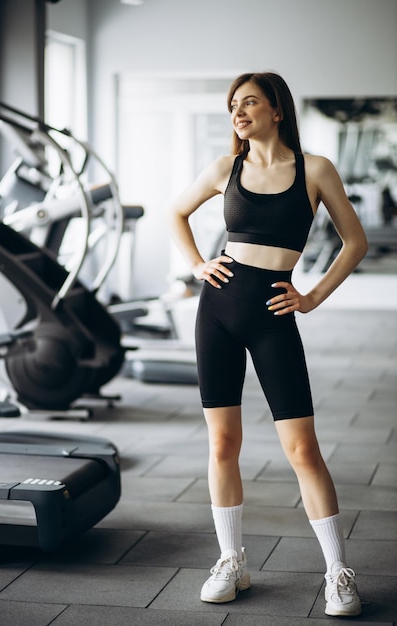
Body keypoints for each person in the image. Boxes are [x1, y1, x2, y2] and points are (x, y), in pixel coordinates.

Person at [169, 72, 368, 617]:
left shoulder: (315, 170)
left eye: (249, 102)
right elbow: (176, 213)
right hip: (218, 312)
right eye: (233, 104)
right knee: (221, 444)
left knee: (303, 448)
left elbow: (355, 241)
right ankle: (231, 560)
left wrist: (313, 297)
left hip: (274, 315)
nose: (238, 111)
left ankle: (338, 574)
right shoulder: (224, 169)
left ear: (276, 110)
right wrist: (196, 265)